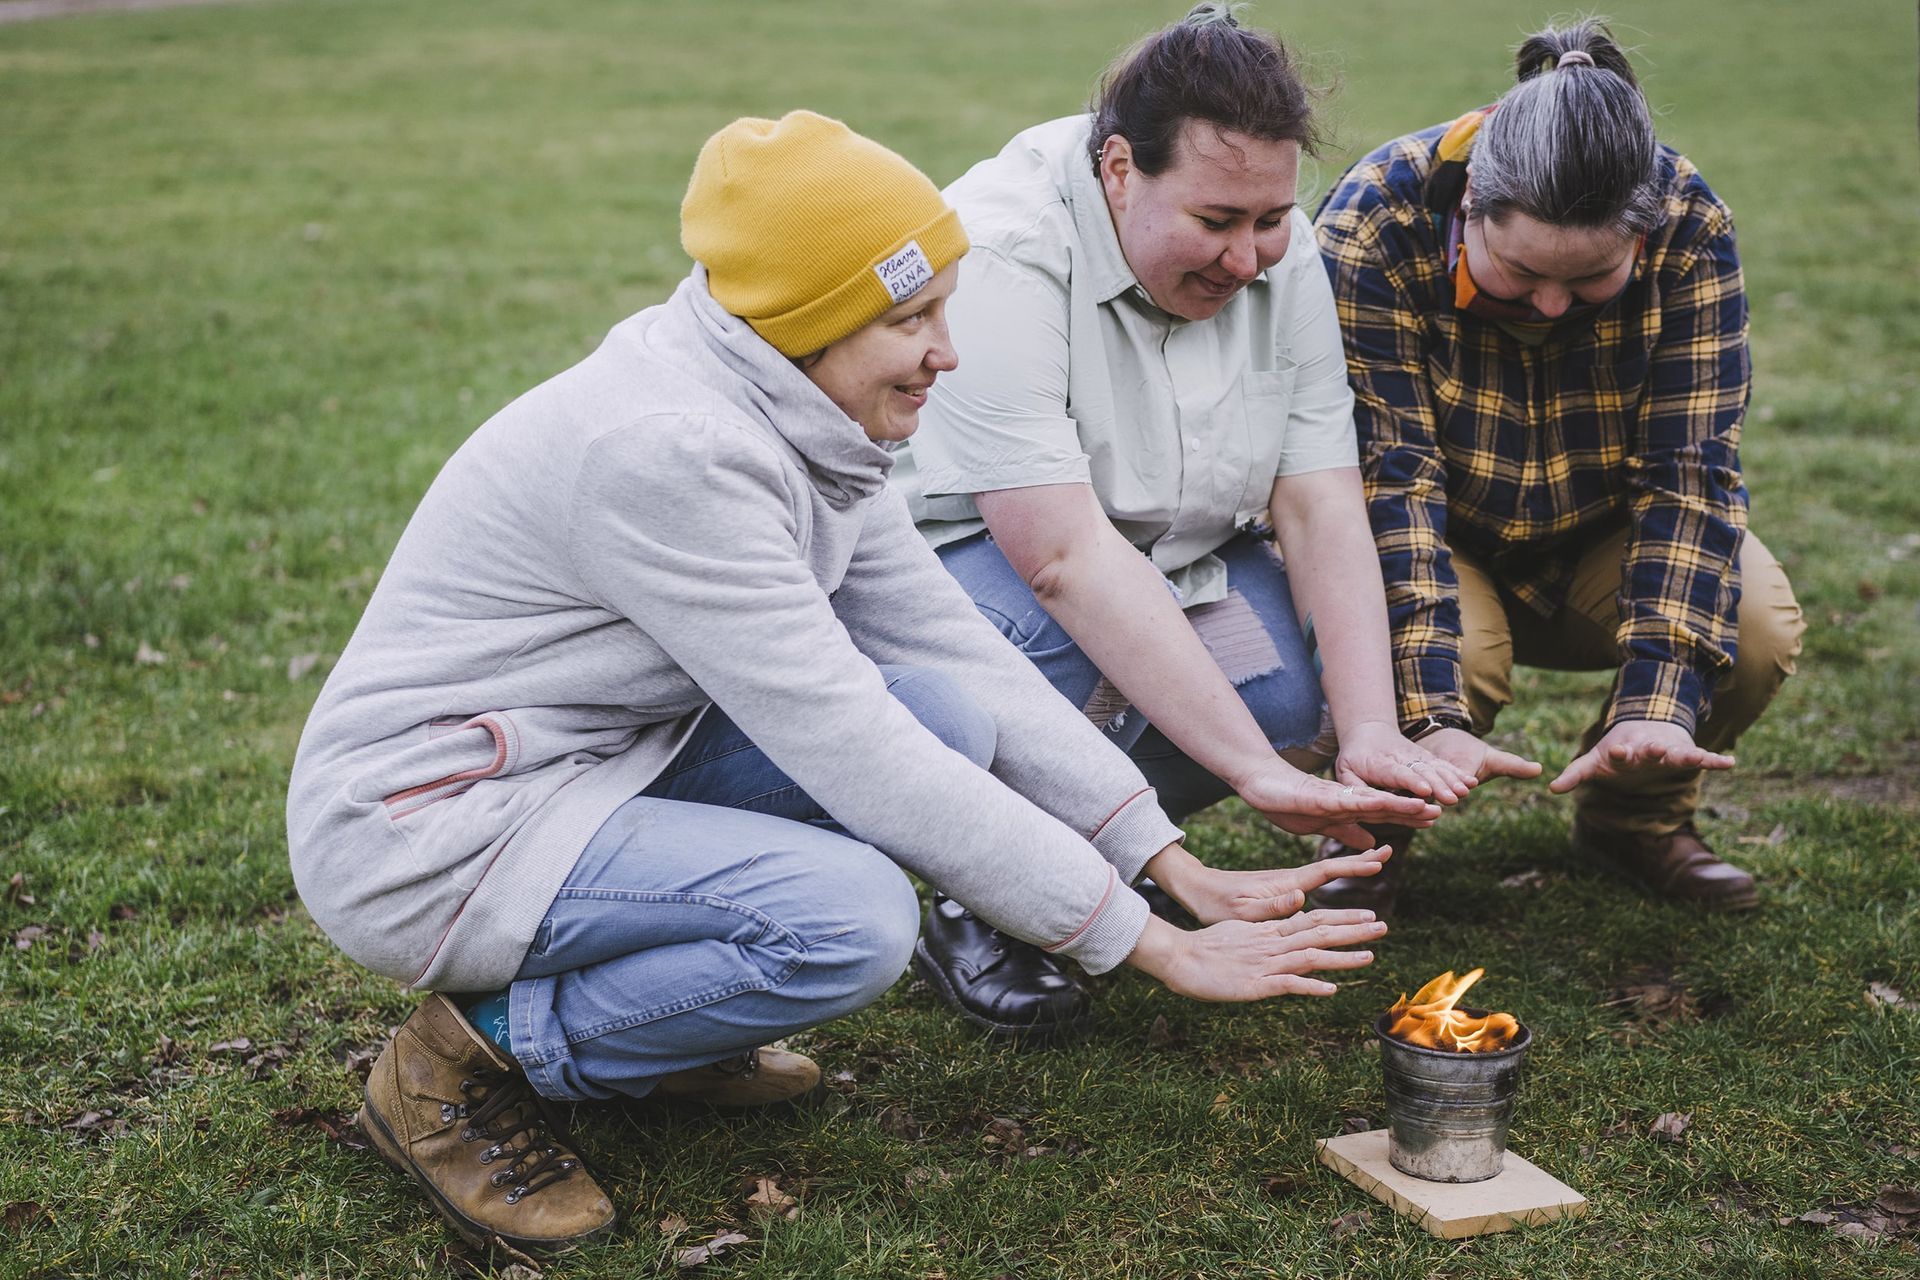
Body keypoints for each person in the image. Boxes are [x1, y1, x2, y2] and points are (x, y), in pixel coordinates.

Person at [287, 111, 1396, 1257]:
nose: (946, 351)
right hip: (428, 830)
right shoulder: (673, 453)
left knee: (950, 708)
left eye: (943, 310)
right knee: (844, 924)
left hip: (594, 767)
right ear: (806, 323)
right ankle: (463, 1062)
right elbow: (852, 744)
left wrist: (1166, 860)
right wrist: (1144, 940)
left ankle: (666, 1032)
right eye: (909, 318)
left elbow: (959, 651)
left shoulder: (804, 405)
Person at [893, 3, 1458, 1043]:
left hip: (1170, 559)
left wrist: (1369, 726)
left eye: (1270, 219)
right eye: (1214, 223)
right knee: (1049, 655)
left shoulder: (1276, 259)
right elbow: (1061, 557)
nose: (1250, 258)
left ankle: (1101, 857)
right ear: (1118, 169)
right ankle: (985, 888)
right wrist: (1249, 769)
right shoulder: (1002, 253)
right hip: (979, 570)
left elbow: (1319, 497)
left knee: (1289, 688)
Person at [1311, 17, 1805, 914]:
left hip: (1597, 532)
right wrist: (1433, 720)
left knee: (1756, 626)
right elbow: (1391, 482)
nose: (1548, 304)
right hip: (1435, 533)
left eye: (1588, 283)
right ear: (1472, 210)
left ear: (1643, 239)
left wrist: (1659, 702)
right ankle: (1367, 835)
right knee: (1448, 659)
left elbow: (1689, 475)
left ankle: (1634, 818)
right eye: (1522, 272)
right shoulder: (1375, 220)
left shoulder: (1692, 221)